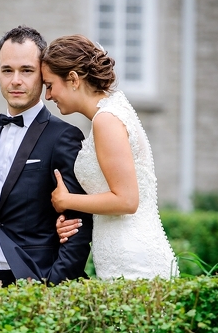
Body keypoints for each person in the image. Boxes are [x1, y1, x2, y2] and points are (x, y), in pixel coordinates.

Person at [0, 26, 92, 288]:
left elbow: (79, 223)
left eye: (26, 71)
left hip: (35, 278)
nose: (16, 80)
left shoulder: (63, 137)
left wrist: (53, 285)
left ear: (42, 74)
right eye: (8, 70)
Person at [42, 35, 177, 280]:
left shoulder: (107, 120)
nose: (48, 96)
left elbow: (126, 201)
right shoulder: (113, 110)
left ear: (73, 79)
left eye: (50, 85)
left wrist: (66, 200)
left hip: (133, 260)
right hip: (120, 252)